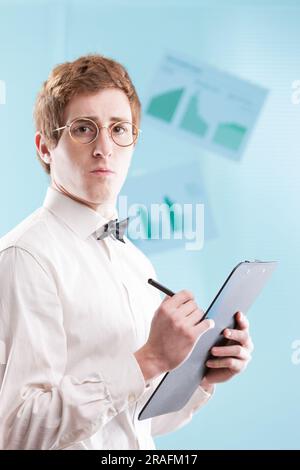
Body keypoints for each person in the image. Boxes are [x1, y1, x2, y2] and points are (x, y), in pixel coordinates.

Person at [0, 54, 253, 450]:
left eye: (119, 129)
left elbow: (132, 422)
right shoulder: (25, 257)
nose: (105, 147)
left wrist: (202, 375)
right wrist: (150, 358)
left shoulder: (135, 261)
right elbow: (16, 431)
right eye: (84, 129)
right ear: (45, 147)